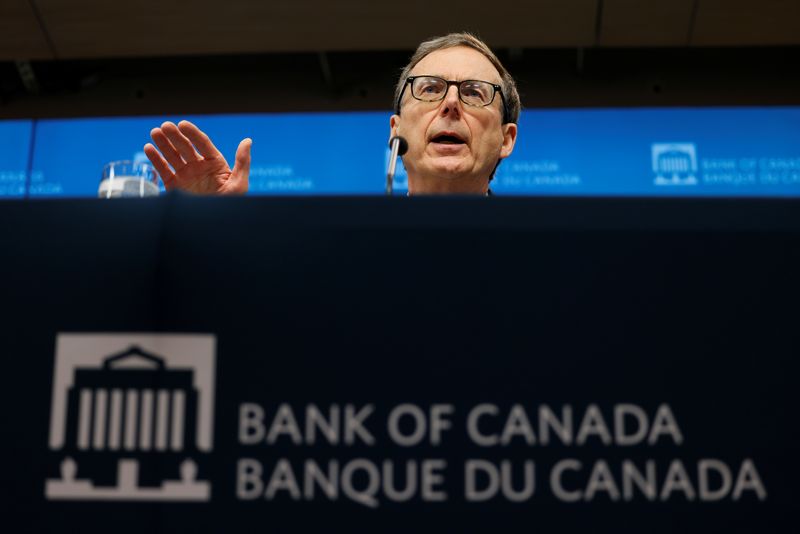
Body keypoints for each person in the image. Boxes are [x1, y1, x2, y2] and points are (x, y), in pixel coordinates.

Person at [143, 32, 521, 195]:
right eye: (430, 89)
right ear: (396, 130)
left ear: (506, 139)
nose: (450, 104)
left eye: (474, 92)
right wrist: (212, 228)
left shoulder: (558, 254)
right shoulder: (334, 246)